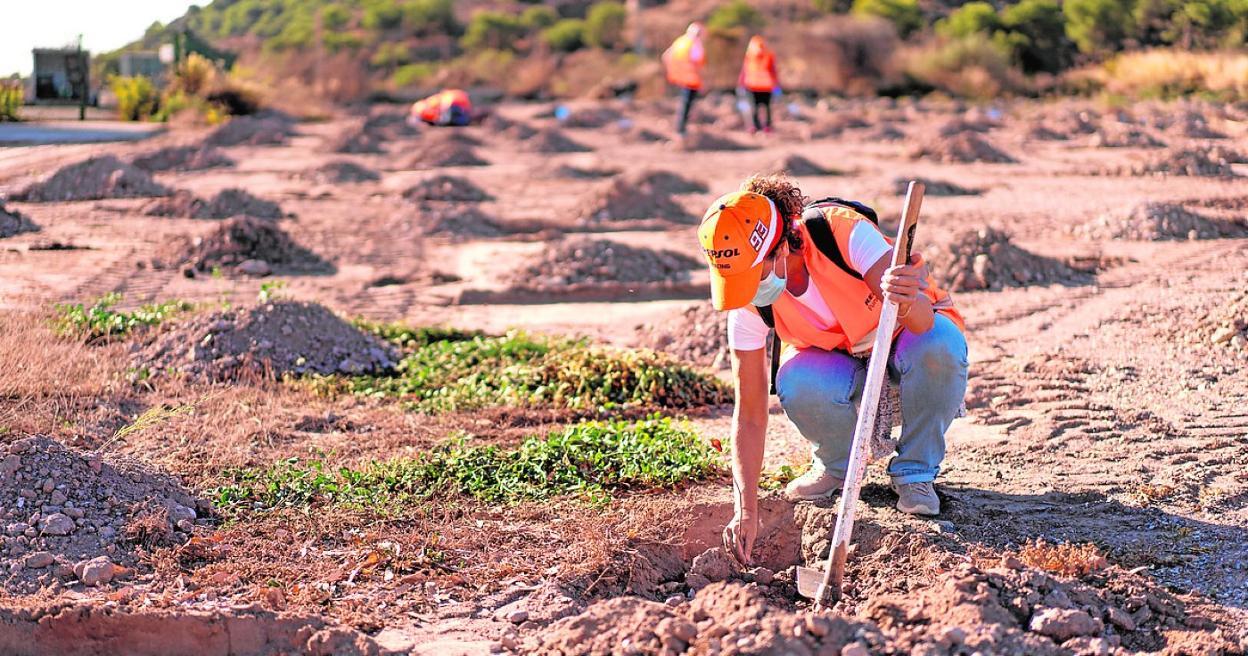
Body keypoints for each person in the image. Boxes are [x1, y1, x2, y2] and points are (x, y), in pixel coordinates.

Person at [696, 175, 969, 566]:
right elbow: (750, 415)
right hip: (841, 364)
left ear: (779, 247)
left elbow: (923, 323)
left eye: (751, 276)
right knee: (796, 380)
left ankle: (915, 473)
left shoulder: (840, 232)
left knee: (938, 348)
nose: (746, 291)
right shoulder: (748, 305)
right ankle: (837, 465)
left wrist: (905, 298)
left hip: (906, 339)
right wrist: (747, 509)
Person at [662, 22, 706, 137]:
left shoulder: (680, 41)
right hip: (691, 80)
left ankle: (681, 128)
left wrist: (673, 71)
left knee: (683, 103)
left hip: (679, 78)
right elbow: (698, 62)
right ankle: (682, 129)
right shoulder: (694, 43)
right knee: (687, 104)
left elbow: (666, 56)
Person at [737, 36, 778, 134]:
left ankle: (760, 126)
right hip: (759, 86)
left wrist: (740, 84)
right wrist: (776, 85)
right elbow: (773, 72)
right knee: (761, 107)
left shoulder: (751, 56)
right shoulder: (761, 56)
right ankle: (763, 126)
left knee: (757, 107)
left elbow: (744, 72)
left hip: (757, 86)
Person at [408, 89, 473, 127]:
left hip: (453, 108)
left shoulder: (444, 97)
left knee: (450, 120)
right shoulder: (456, 94)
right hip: (460, 109)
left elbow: (445, 104)